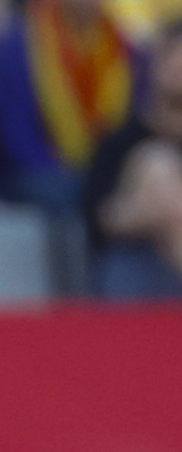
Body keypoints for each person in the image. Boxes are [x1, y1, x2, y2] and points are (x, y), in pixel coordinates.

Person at [0, 0, 141, 213]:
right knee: (69, 192)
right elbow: (12, 135)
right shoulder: (18, 42)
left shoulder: (123, 50)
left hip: (97, 167)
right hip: (28, 168)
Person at [82, 22, 182, 295]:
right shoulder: (120, 142)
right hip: (136, 261)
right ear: (154, 65)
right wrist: (154, 212)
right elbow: (98, 219)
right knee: (156, 165)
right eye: (172, 57)